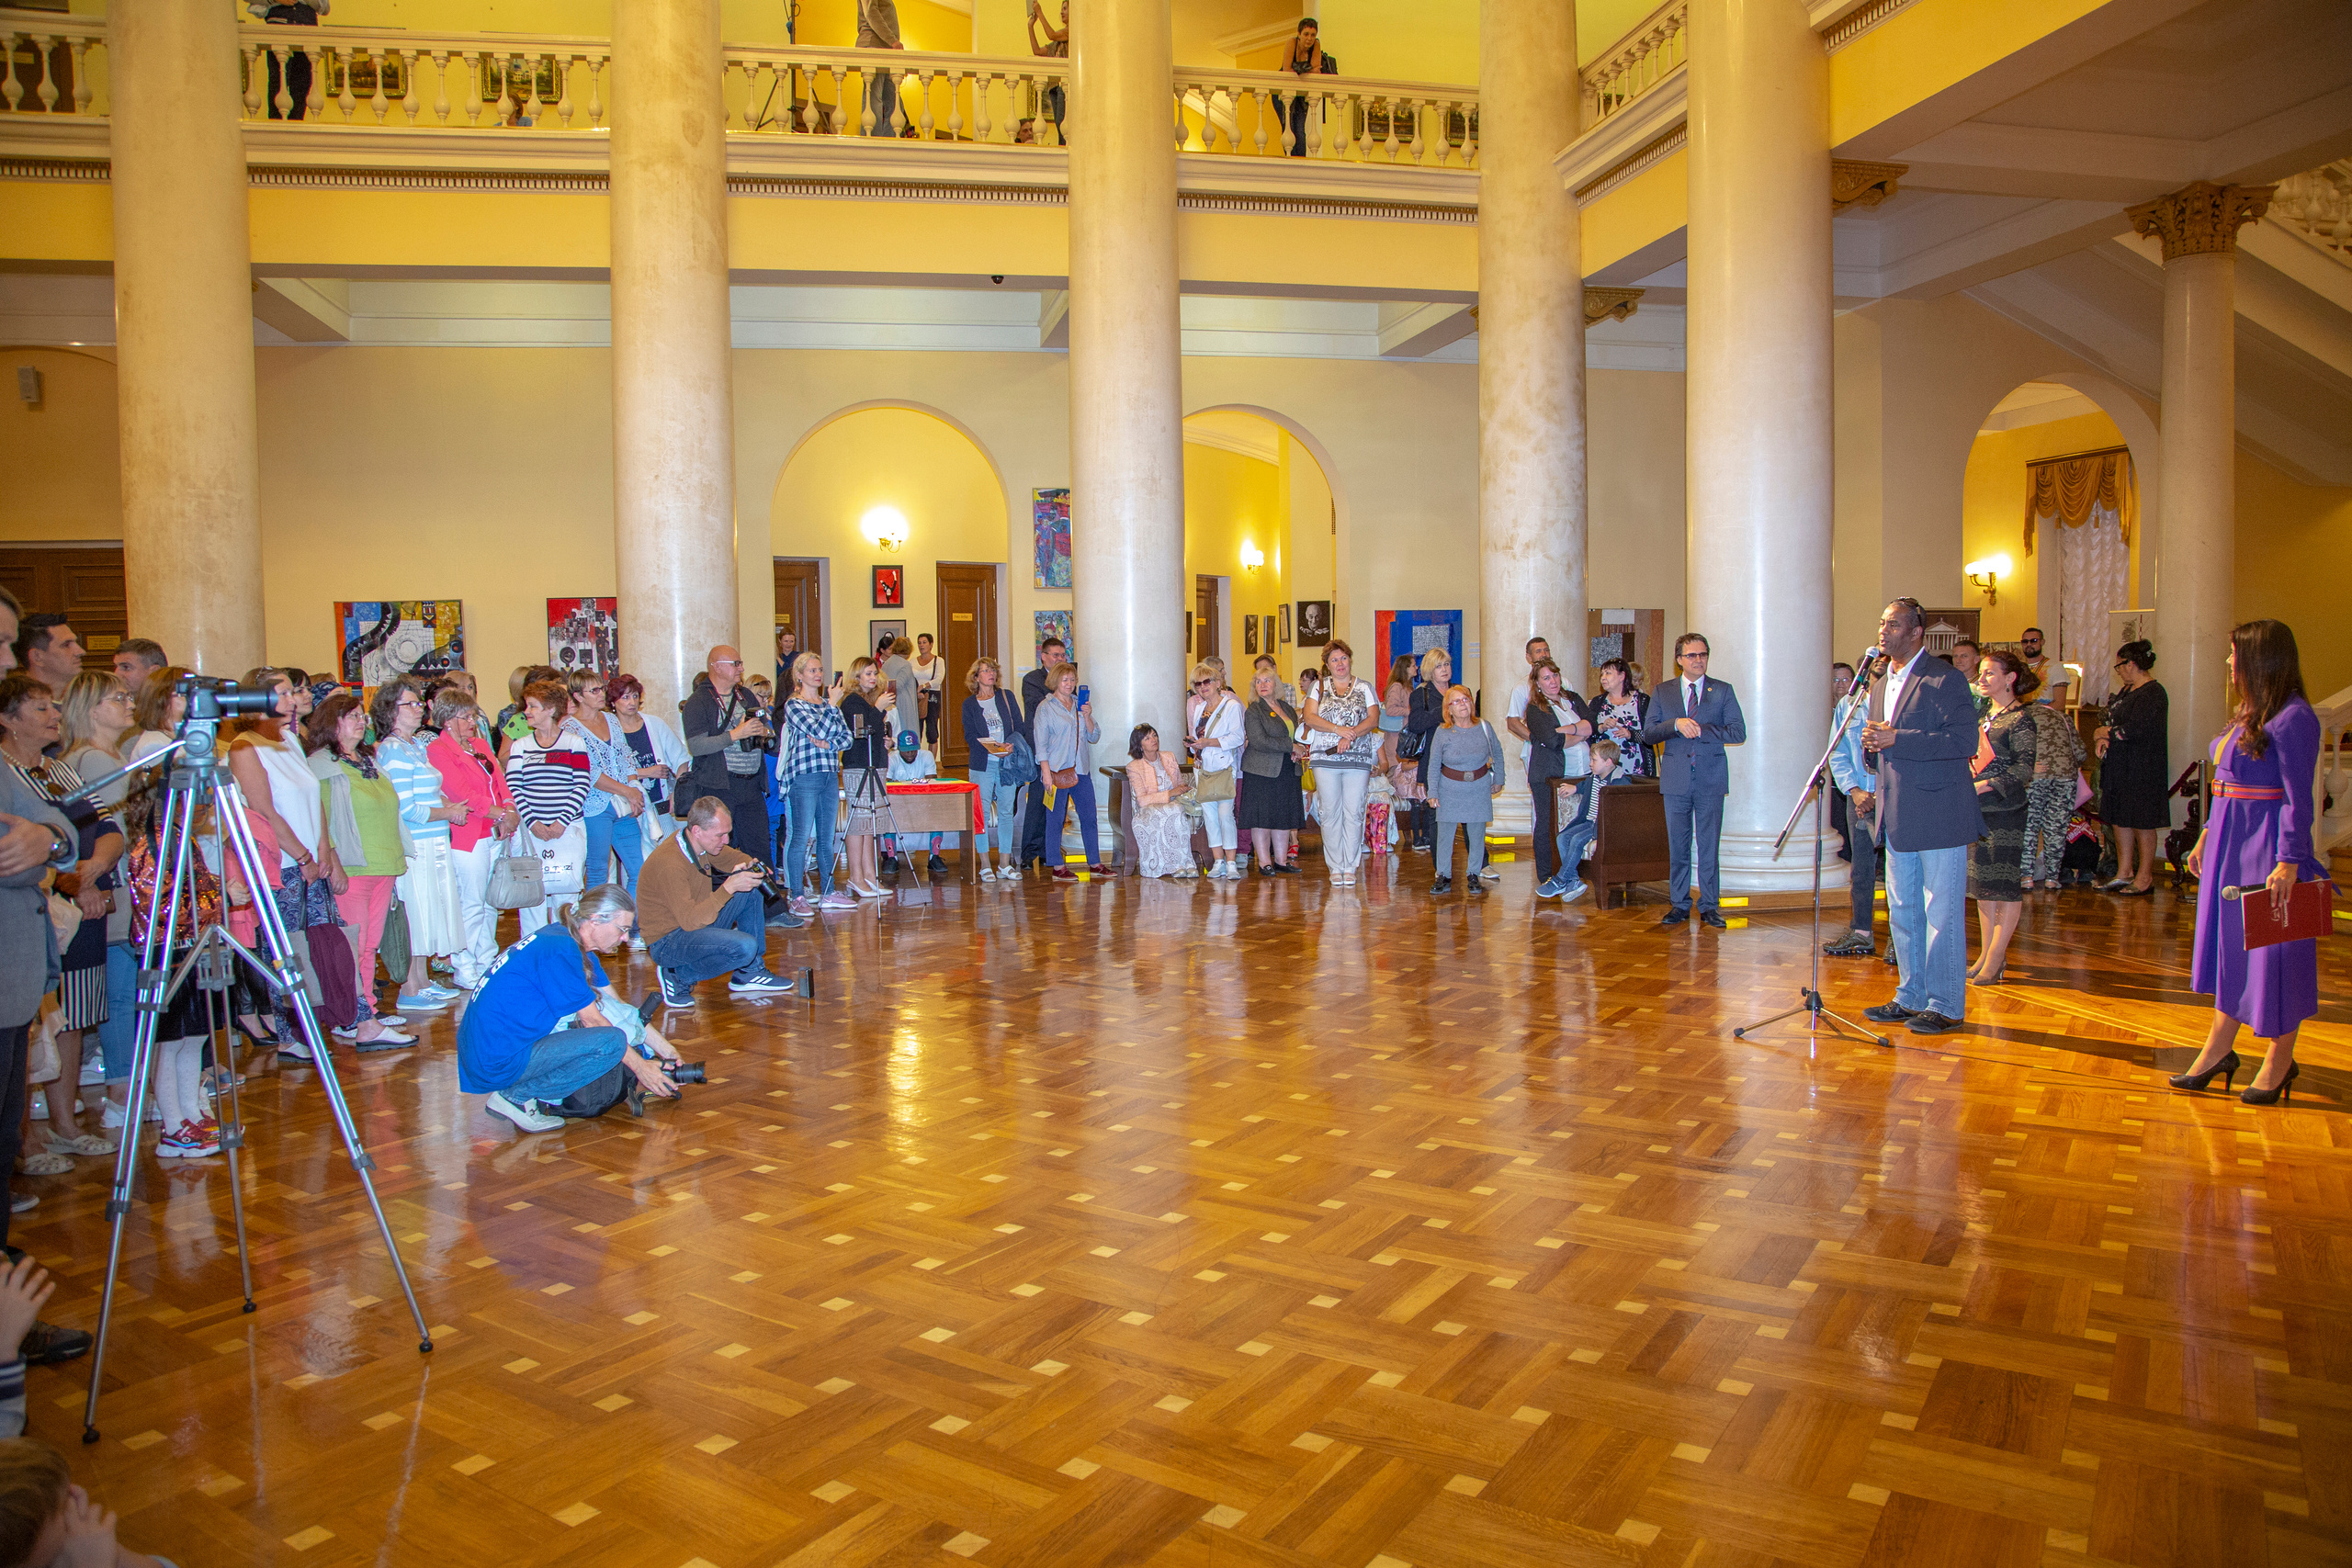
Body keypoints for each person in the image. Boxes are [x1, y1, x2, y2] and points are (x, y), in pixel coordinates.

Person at [2170, 619, 2330, 1106]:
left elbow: (2298, 800)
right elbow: (2225, 784)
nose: (2227, 662)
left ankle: (2280, 1061)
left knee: (2275, 956)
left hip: (2266, 850)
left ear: (2261, 658)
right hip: (2229, 847)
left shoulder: (2294, 717)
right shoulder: (2249, 713)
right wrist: (2205, 835)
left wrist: (2289, 860)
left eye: (2233, 653)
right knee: (2231, 951)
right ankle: (2219, 1050)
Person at [0, 593, 101, 1348]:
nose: (11, 663)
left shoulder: (27, 768)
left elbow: (63, 825)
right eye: (4, 646)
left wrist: (46, 834)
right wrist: (45, 837)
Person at [225, 668, 381, 1057]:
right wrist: (302, 855)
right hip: (284, 867)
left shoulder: (291, 741)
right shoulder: (245, 747)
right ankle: (290, 1035)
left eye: (292, 692)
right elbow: (264, 811)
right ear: (256, 701)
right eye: (283, 693)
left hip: (313, 862)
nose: (294, 699)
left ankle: (341, 1018)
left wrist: (325, 852)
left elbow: (315, 803)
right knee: (284, 949)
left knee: (325, 946)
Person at [1, 674, 123, 1168]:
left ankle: (65, 1126)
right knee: (33, 1027)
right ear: (7, 721)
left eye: (54, 707)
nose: (55, 715)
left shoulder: (58, 771)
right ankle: (24, 1145)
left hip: (85, 909)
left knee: (72, 1016)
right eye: (39, 709)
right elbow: (28, 852)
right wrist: (77, 879)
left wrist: (92, 871)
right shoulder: (8, 773)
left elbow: (105, 828)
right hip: (42, 911)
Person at [458, 886, 684, 1133]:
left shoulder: (566, 940)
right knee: (609, 1043)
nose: (625, 939)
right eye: (623, 929)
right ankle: (517, 1097)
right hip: (496, 1060)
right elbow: (595, 1023)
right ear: (596, 920)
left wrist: (665, 1051)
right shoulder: (561, 951)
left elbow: (618, 1008)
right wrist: (641, 1067)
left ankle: (521, 1094)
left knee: (610, 1035)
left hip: (490, 1050)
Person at [1860, 599, 1985, 1037]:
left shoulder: (1944, 679)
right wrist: (1871, 746)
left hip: (1939, 810)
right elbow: (1882, 750)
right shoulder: (1878, 684)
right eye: (1881, 622)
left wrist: (1898, 737)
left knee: (1941, 912)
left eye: (1892, 623)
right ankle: (1910, 995)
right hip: (1897, 810)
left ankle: (1946, 1003)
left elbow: (1964, 740)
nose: (1883, 630)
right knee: (1903, 908)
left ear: (1916, 632)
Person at [116, 767, 243, 1158]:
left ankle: (191, 1112)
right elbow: (163, 903)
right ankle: (173, 1124)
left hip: (194, 948)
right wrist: (220, 894)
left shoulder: (179, 839)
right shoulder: (151, 846)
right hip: (165, 952)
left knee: (196, 1036)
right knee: (167, 1042)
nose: (202, 804)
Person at [57, 672, 138, 1154]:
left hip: (122, 884)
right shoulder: (89, 759)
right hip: (114, 889)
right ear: (91, 708)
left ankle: (123, 1085)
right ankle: (120, 1090)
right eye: (119, 697)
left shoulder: (106, 757)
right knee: (120, 994)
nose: (130, 703)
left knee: (121, 989)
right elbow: (105, 835)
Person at [302, 690, 411, 1043]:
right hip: (352, 866)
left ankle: (368, 1009)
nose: (362, 721)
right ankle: (351, 1014)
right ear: (332, 723)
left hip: (383, 864)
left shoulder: (367, 759)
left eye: (363, 716)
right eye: (353, 716)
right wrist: (332, 864)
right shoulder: (321, 765)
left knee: (369, 944)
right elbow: (320, 820)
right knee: (351, 944)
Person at [638, 797, 801, 1007]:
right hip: (668, 942)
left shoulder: (698, 844)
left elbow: (728, 855)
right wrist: (729, 887)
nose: (726, 840)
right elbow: (690, 921)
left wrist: (751, 864)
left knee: (750, 888)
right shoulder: (670, 864)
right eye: (720, 835)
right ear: (697, 830)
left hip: (694, 924)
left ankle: (749, 972)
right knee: (744, 947)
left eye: (728, 834)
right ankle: (678, 975)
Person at [372, 678, 469, 1014]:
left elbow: (427, 792)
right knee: (417, 914)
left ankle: (424, 981)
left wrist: (446, 806)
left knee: (431, 913)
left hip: (435, 839)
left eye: (418, 703)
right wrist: (449, 812)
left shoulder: (413, 745)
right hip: (417, 844)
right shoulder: (392, 750)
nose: (419, 708)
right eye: (411, 704)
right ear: (391, 711)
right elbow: (406, 808)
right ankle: (410, 988)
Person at [1642, 634, 1747, 929]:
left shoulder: (1722, 691)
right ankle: (1679, 904)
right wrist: (1675, 725)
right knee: (1678, 845)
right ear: (1679, 660)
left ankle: (1710, 905)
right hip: (1675, 781)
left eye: (1703, 655)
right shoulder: (1664, 692)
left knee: (1709, 845)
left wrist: (1701, 729)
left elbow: (1738, 732)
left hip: (1711, 780)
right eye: (1691, 656)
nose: (1698, 660)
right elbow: (1649, 734)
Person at [424, 690, 519, 991]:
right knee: (471, 903)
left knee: (490, 903)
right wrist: (499, 814)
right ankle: (464, 966)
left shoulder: (479, 744)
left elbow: (500, 780)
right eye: (466, 717)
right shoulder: (439, 750)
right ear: (448, 720)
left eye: (473, 716)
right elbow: (460, 792)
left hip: (495, 831)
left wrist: (511, 809)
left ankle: (486, 959)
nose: (472, 722)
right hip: (469, 835)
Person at [1966, 649, 2040, 986]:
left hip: (2006, 810)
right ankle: (1986, 954)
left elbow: (2024, 768)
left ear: (2009, 679)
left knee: (2005, 886)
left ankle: (1995, 959)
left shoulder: (2021, 719)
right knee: (1984, 886)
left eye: (1989, 673)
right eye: (1981, 673)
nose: (1982, 679)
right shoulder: (1982, 715)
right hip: (1978, 810)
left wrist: (1985, 785)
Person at [0, 1431, 177, 1564]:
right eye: (63, 1508)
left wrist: (114, 1553)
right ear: (35, 1547)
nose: (74, 1504)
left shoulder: (45, 1553)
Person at [503, 678, 593, 940]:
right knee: (531, 898)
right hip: (532, 834)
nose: (527, 712)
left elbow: (581, 784)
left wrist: (561, 822)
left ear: (551, 710)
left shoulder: (574, 743)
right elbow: (514, 787)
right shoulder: (520, 746)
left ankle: (565, 951)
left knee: (566, 898)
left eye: (532, 706)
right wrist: (533, 822)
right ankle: (532, 955)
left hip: (567, 830)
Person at [777, 653, 857, 913]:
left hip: (829, 774)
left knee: (826, 838)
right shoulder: (794, 705)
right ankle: (797, 895)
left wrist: (829, 743)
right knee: (800, 837)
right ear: (799, 675)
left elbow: (846, 738)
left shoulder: (826, 703)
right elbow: (820, 730)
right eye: (812, 670)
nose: (818, 674)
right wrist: (832, 710)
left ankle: (828, 891)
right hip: (804, 776)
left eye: (820, 669)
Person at [680, 647, 775, 865]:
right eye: (736, 663)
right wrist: (734, 735)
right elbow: (697, 746)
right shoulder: (698, 701)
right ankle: (723, 897)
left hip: (751, 785)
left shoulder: (745, 695)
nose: (741, 668)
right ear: (717, 666)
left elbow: (759, 728)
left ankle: (763, 899)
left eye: (740, 663)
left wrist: (763, 732)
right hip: (720, 786)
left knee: (759, 849)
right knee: (722, 851)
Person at [1301, 641, 1380, 887]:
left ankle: (1350, 865)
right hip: (1325, 758)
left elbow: (1374, 717)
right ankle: (1335, 866)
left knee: (1354, 811)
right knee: (1330, 812)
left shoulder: (1365, 687)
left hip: (1358, 758)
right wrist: (1338, 730)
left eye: (1343, 658)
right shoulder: (1318, 687)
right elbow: (1310, 717)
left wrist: (1351, 734)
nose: (1340, 664)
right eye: (1334, 660)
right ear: (1327, 664)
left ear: (1350, 660)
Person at [566, 669, 650, 898]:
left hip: (622, 804)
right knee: (597, 873)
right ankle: (596, 928)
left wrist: (635, 788)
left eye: (601, 688)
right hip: (595, 808)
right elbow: (590, 773)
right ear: (578, 696)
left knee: (639, 870)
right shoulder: (570, 728)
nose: (601, 694)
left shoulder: (611, 719)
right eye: (594, 690)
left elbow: (626, 757)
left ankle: (630, 927)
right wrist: (628, 791)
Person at [2096, 639, 2168, 897]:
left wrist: (2106, 732)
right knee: (2119, 818)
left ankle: (2145, 875)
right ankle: (2124, 871)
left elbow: (2137, 729)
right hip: (2120, 765)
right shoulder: (2128, 691)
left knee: (2141, 821)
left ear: (2131, 664)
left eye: (2120, 666)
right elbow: (2110, 719)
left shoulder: (2153, 693)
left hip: (2143, 767)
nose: (2119, 671)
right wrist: (2102, 735)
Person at [1824, 655, 1883, 959]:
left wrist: (1878, 791)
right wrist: (1856, 791)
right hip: (1858, 798)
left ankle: (1902, 940)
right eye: (1873, 671)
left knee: (1901, 871)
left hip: (1893, 796)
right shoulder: (1850, 706)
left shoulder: (1901, 704)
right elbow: (1837, 752)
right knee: (1861, 870)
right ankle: (1861, 932)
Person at [1426, 684, 1504, 895]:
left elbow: (1497, 751)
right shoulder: (1442, 732)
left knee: (1477, 834)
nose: (1463, 704)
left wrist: (1499, 778)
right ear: (1448, 709)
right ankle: (1443, 875)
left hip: (1479, 787)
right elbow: (1433, 764)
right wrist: (1432, 792)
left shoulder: (1484, 727)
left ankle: (1473, 874)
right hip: (1449, 788)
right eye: (1457, 701)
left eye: (1466, 699)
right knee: (1445, 835)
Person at [1523, 659, 1593, 888]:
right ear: (1537, 683)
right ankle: (1547, 874)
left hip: (1581, 774)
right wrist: (1580, 731)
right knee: (1547, 823)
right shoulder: (1535, 708)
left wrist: (1570, 731)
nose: (1552, 681)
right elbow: (1552, 740)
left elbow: (1592, 724)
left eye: (1555, 675)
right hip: (1549, 775)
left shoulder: (1572, 698)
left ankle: (1572, 871)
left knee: (1578, 822)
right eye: (1546, 678)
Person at [1033, 660, 1104, 881]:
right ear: (1055, 681)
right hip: (1055, 771)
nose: (1070, 684)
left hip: (1081, 770)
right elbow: (1040, 743)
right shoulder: (1046, 708)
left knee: (1089, 817)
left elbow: (1094, 736)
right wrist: (1045, 772)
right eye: (1065, 679)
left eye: (1073, 680)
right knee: (1054, 818)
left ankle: (1095, 862)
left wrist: (1088, 716)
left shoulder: (1079, 705)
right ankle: (1057, 865)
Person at [834, 658, 896, 898]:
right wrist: (879, 708)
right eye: (867, 673)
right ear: (857, 677)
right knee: (858, 822)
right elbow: (859, 733)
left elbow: (874, 732)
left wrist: (887, 742)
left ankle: (870, 875)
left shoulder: (871, 701)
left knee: (871, 823)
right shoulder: (851, 701)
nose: (873, 677)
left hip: (877, 764)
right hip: (858, 766)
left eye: (874, 673)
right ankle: (855, 876)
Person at [961, 658, 1026, 882]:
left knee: (1007, 811)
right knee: (981, 813)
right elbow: (969, 735)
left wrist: (1009, 745)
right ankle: (985, 864)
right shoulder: (969, 704)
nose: (991, 674)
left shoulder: (1006, 696)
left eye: (993, 670)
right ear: (976, 677)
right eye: (985, 670)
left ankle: (1005, 864)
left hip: (1007, 763)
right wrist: (991, 747)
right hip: (982, 764)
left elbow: (1019, 727)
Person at [1239, 661, 1306, 876]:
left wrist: (1299, 748)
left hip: (1287, 768)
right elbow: (1259, 741)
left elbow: (1294, 736)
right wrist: (1291, 746)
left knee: (1283, 816)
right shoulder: (1254, 710)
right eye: (1258, 681)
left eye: (1267, 680)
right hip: (1261, 772)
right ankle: (1264, 862)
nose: (1262, 685)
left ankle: (1281, 860)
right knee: (1262, 818)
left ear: (1276, 684)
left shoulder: (1286, 708)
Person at [606, 673, 688, 846]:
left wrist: (677, 793)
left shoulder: (654, 724)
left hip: (660, 803)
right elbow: (606, 771)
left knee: (667, 850)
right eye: (625, 697)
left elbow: (682, 759)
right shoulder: (608, 730)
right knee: (637, 859)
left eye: (635, 696)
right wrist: (645, 772)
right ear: (613, 702)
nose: (632, 702)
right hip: (627, 807)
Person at [1537, 739, 1624, 902]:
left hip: (1602, 827)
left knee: (1577, 840)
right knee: (1562, 837)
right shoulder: (1594, 777)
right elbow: (1586, 785)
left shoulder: (1618, 781)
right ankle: (1573, 881)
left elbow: (1619, 810)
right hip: (1589, 822)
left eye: (1594, 760)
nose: (1590, 763)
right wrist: (1575, 788)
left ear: (1608, 762)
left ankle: (1560, 880)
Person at [1184, 663, 1245, 880]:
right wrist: (1192, 744)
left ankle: (1231, 862)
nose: (1202, 687)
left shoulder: (1231, 707)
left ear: (1218, 683)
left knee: (1224, 815)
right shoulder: (1199, 709)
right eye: (1198, 684)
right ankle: (1217, 860)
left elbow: (1237, 738)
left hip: (1222, 767)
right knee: (1210, 816)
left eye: (1206, 681)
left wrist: (1209, 742)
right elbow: (1196, 738)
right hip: (1202, 767)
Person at [2020, 696, 2083, 891]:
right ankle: (2052, 877)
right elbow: (2080, 752)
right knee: (2056, 827)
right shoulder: (2063, 717)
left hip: (2035, 776)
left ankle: (2026, 877)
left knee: (2029, 826)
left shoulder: (2021, 716)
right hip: (2065, 776)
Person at [1017, 636, 1068, 874]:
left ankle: (1050, 851)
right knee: (1037, 801)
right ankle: (1029, 853)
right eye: (1055, 655)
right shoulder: (1033, 680)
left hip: (1062, 753)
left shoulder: (1067, 681)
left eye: (1062, 655)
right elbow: (1041, 708)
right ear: (1044, 657)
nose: (1059, 659)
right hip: (1041, 751)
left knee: (1056, 805)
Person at [1125, 726, 1196, 879]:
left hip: (1174, 803)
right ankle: (1173, 865)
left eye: (1155, 735)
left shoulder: (1169, 757)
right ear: (1139, 745)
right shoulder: (1134, 767)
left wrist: (1182, 789)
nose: (1154, 740)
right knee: (1170, 812)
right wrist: (1169, 793)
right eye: (1148, 738)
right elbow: (1142, 799)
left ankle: (1186, 863)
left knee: (1176, 809)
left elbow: (1179, 784)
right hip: (1148, 809)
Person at [887, 730, 947, 874]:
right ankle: (891, 858)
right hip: (898, 803)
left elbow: (932, 782)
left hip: (923, 802)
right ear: (899, 749)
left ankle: (934, 856)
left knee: (937, 810)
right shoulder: (892, 758)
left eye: (913, 750)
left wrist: (904, 785)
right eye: (905, 751)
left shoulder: (926, 756)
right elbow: (887, 784)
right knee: (886, 812)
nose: (909, 754)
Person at [1278, 17, 1337, 156]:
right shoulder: (1292, 42)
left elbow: (1316, 69)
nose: (1309, 38)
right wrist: (1308, 69)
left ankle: (1300, 158)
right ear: (1299, 34)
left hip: (1300, 91)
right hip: (1284, 90)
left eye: (1312, 35)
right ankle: (1290, 158)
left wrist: (1300, 70)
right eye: (1306, 34)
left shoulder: (1316, 45)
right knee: (1288, 124)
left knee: (1300, 128)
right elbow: (1286, 69)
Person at [1589, 657, 1651, 782]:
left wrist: (1630, 734)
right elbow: (1588, 733)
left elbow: (1652, 734)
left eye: (1608, 673)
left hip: (1634, 767)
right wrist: (1602, 727)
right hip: (1605, 769)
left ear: (1622, 676)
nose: (1603, 678)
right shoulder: (1597, 702)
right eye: (1602, 674)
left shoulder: (1643, 701)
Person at [856, 0, 905, 136]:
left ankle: (890, 142)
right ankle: (872, 140)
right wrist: (893, 40)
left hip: (885, 48)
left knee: (895, 103)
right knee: (874, 97)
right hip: (874, 44)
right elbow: (871, 13)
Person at [881, 637, 922, 745]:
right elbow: (897, 685)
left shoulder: (887, 663)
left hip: (888, 704)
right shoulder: (905, 665)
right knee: (906, 735)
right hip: (903, 704)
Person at [911, 634, 945, 749]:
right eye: (919, 642)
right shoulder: (912, 662)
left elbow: (939, 679)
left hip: (932, 696)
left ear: (931, 644)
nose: (921, 645)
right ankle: (917, 760)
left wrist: (924, 686)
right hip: (917, 697)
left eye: (924, 642)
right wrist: (916, 691)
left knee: (932, 731)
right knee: (917, 730)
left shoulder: (938, 661)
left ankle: (932, 763)